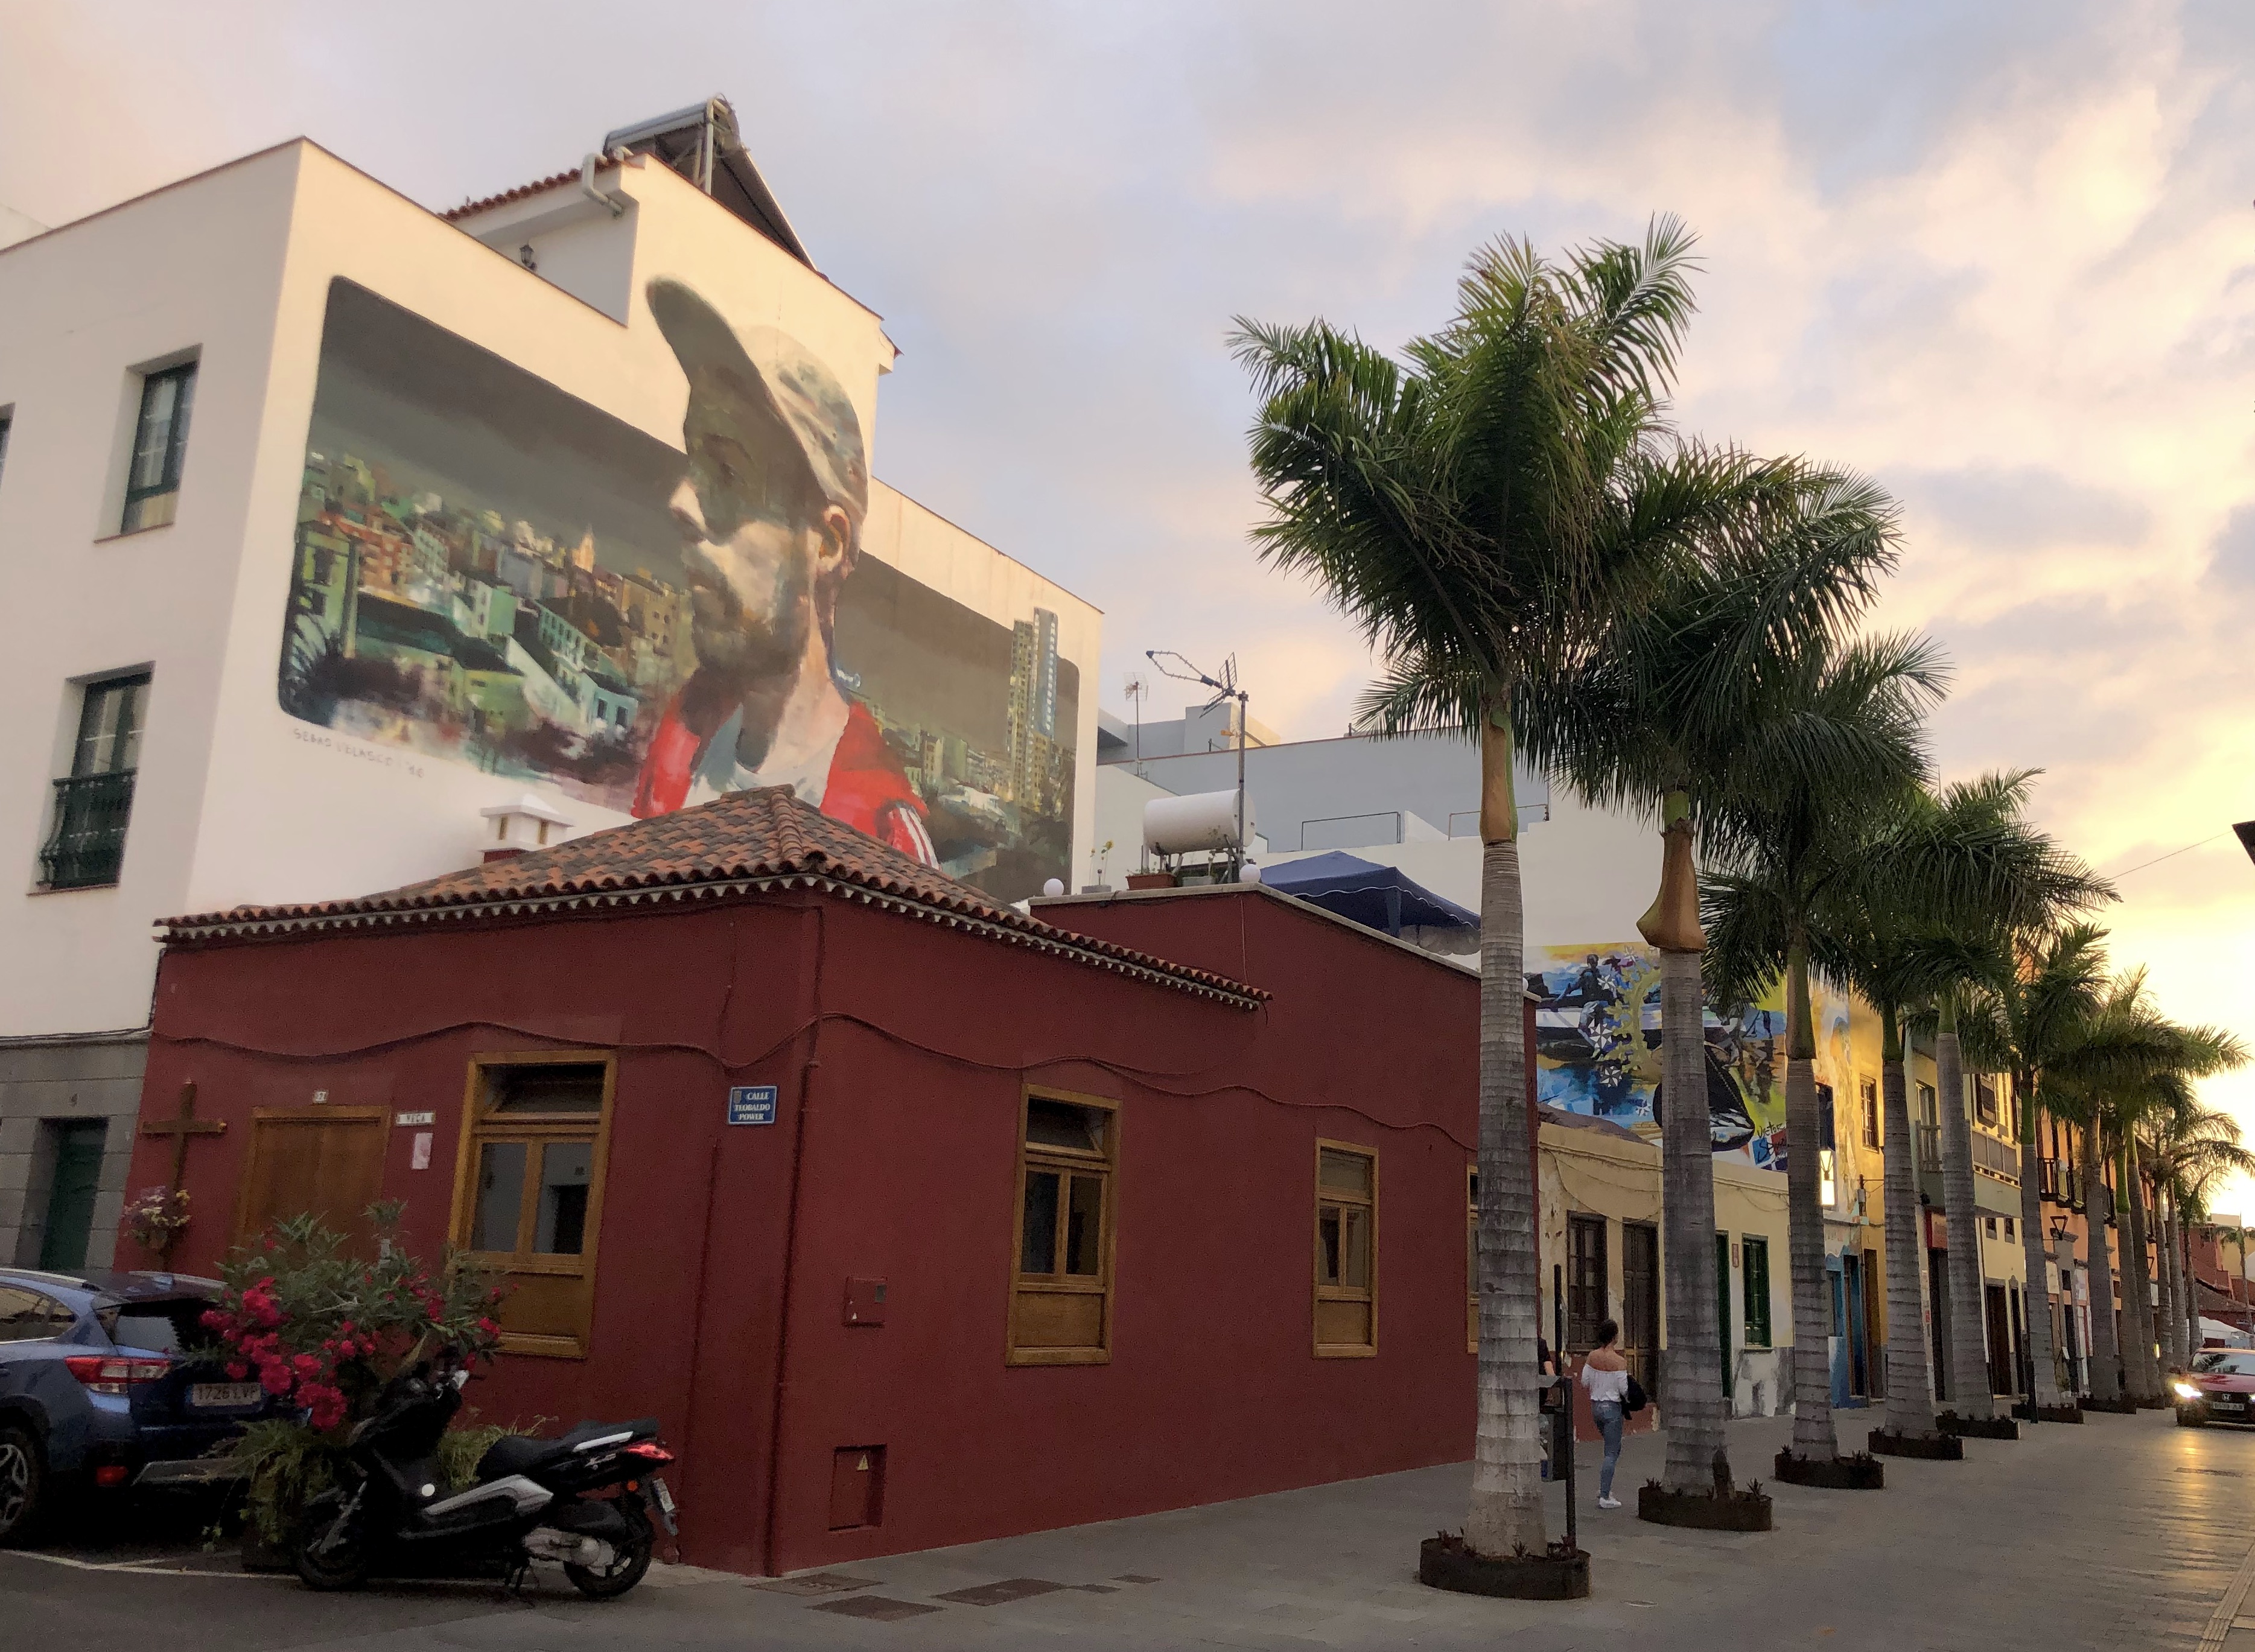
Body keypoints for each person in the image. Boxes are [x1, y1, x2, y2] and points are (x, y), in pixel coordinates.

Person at [632, 278, 937, 865]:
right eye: (691, 462)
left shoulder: (886, 840)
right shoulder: (682, 738)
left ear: (825, 541)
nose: (680, 502)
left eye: (726, 470)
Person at [1579, 1318, 1630, 1509]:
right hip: (1612, 1408)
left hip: (1596, 1407)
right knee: (1611, 1452)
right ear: (1615, 1337)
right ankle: (1605, 1495)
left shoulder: (1592, 1357)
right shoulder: (1619, 1361)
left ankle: (1605, 1487)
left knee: (1612, 1448)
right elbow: (1624, 1389)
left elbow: (1585, 1381)